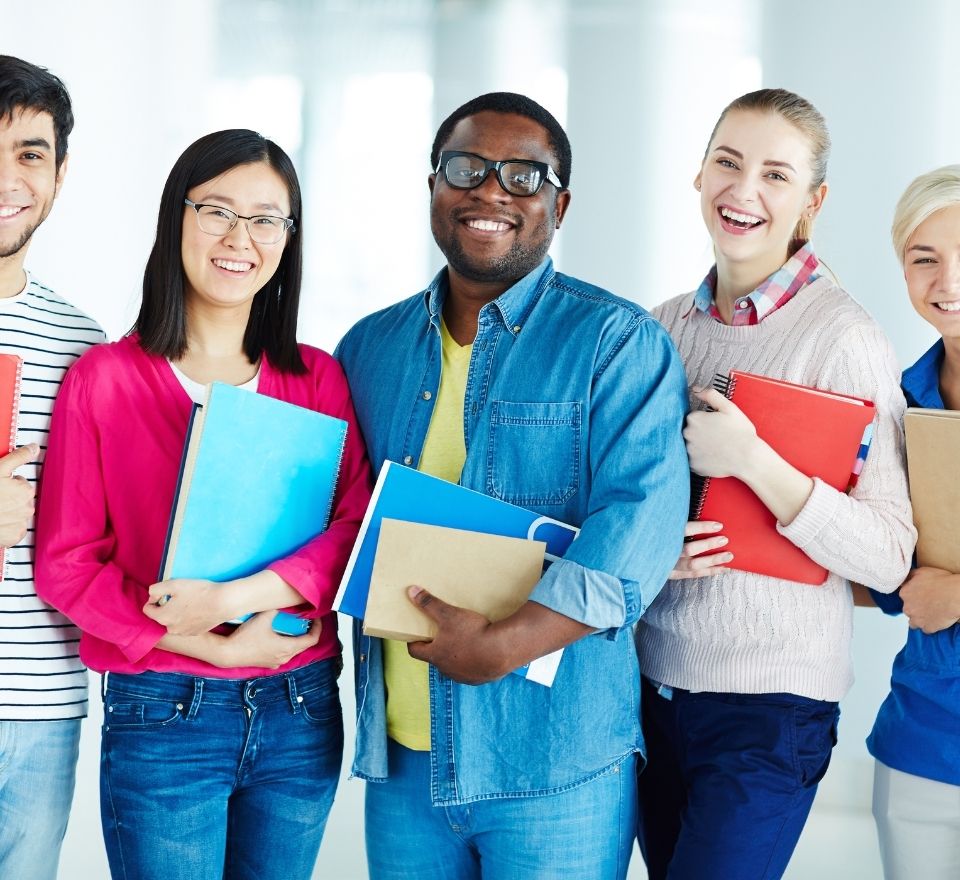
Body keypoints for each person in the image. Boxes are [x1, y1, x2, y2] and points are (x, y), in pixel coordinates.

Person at [336, 91, 689, 880]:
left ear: (560, 204)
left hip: (553, 761)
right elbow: (339, 523)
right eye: (467, 167)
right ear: (433, 186)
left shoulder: (616, 341)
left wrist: (505, 646)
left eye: (525, 176)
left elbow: (637, 529)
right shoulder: (368, 347)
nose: (492, 190)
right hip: (403, 763)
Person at [34, 129, 371, 880]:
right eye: (215, 210)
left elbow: (353, 527)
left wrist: (236, 598)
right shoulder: (106, 379)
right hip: (163, 711)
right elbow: (66, 566)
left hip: (300, 708)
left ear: (289, 238)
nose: (237, 238)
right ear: (175, 219)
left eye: (264, 219)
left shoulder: (317, 378)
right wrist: (209, 643)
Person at [636, 88, 916, 880]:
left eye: (775, 174)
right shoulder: (661, 330)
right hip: (651, 689)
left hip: (768, 710)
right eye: (727, 162)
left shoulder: (846, 338)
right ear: (697, 175)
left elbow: (889, 556)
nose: (743, 190)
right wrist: (657, 554)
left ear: (811, 202)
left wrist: (754, 460)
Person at [0, 55, 106, 880]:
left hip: (42, 708)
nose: (9, 177)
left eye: (30, 152)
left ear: (60, 174)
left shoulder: (85, 346)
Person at [864, 164, 960, 880]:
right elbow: (874, 563)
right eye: (924, 258)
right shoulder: (898, 401)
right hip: (925, 732)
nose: (947, 281)